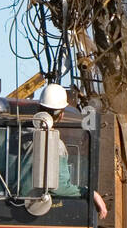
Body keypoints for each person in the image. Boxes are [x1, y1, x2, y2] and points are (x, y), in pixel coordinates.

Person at [37, 83, 108, 218]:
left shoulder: (16, 138)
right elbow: (59, 188)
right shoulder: (55, 145)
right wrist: (90, 193)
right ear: (61, 114)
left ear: (38, 109)